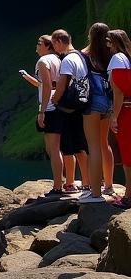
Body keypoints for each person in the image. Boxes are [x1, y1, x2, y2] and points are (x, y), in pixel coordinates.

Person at [51, 28, 91, 198]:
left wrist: (55, 99)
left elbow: (62, 83)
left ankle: (70, 183)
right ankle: (87, 181)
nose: (54, 48)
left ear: (59, 41)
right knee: (81, 145)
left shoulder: (67, 60)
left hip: (68, 107)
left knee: (68, 146)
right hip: (82, 105)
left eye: (54, 44)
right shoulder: (81, 56)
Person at [23, 35, 64, 195]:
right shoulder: (58, 59)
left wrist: (42, 111)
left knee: (53, 149)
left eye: (39, 44)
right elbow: (47, 84)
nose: (36, 47)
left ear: (48, 46)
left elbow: (47, 86)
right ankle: (63, 183)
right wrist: (28, 78)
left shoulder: (42, 61)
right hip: (58, 104)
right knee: (57, 148)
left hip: (50, 107)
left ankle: (57, 186)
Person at [82, 22, 112, 202]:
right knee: (104, 143)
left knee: (92, 146)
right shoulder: (110, 54)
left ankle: (95, 193)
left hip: (93, 101)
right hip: (108, 100)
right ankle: (108, 185)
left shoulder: (85, 54)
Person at [108, 29, 131, 207]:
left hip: (125, 111)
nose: (106, 44)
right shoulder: (127, 58)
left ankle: (129, 196)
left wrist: (114, 117)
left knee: (127, 153)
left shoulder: (117, 59)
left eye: (108, 41)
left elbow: (119, 92)